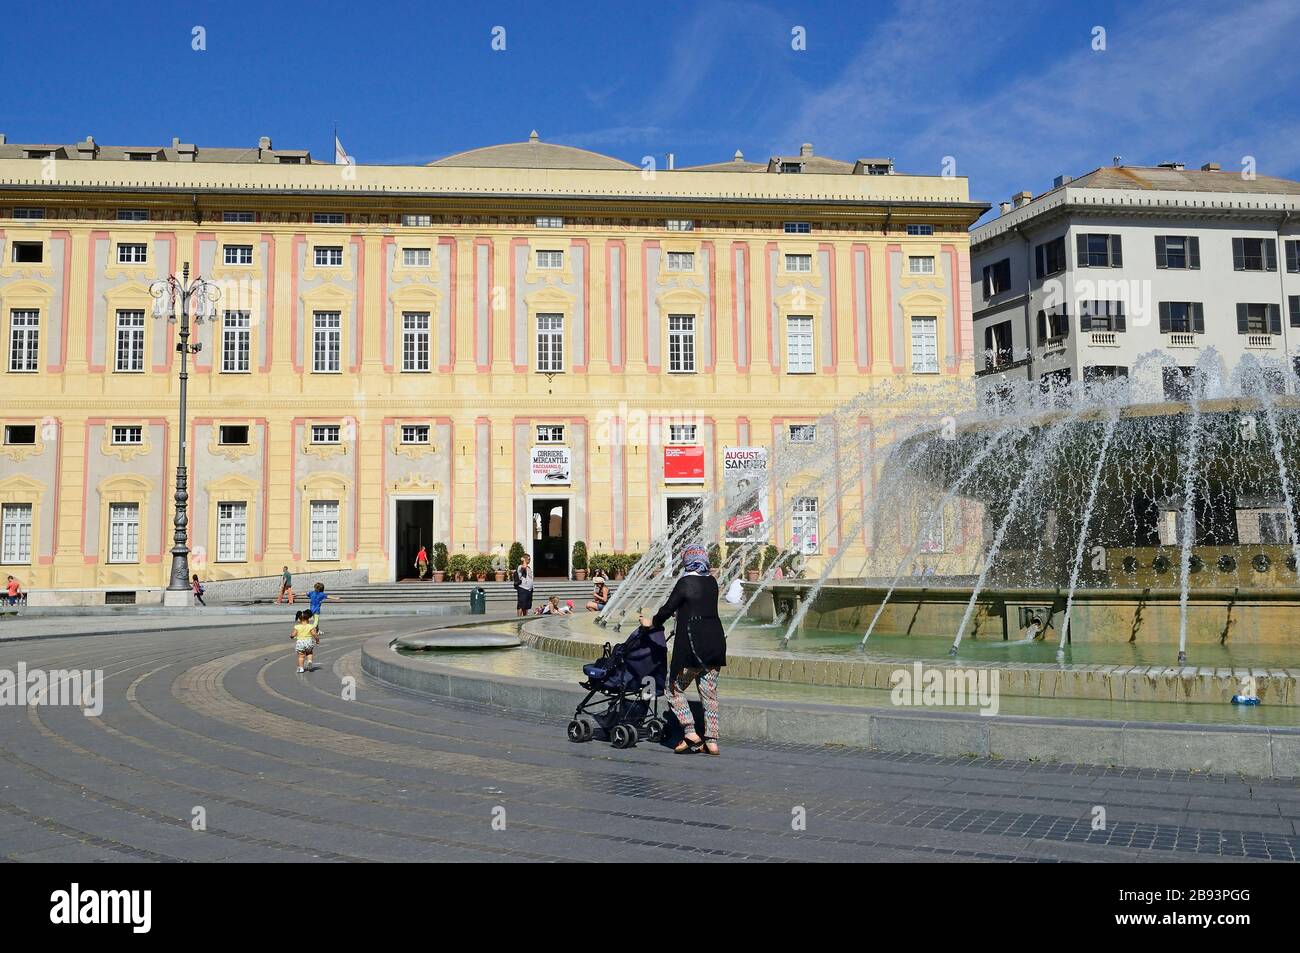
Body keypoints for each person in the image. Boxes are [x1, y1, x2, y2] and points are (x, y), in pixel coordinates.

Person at [642, 543, 726, 756]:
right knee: (709, 694)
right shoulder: (712, 582)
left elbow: (668, 609)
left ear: (686, 560)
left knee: (672, 689)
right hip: (715, 646)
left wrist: (651, 622)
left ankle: (690, 732)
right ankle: (712, 741)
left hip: (692, 648)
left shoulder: (685, 582)